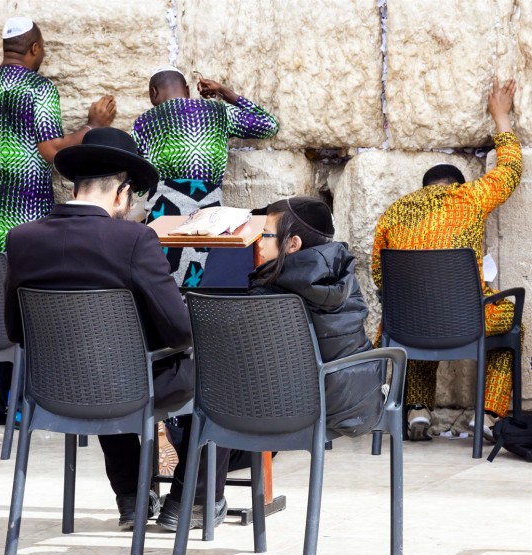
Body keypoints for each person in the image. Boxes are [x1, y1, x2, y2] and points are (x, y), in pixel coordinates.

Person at [4, 127, 229, 531]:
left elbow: (14, 329)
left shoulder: (21, 238)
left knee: (101, 365)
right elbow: (178, 332)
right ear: (122, 192)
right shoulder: (135, 238)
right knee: (227, 376)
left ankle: (132, 499)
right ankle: (188, 503)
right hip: (128, 386)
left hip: (51, 387)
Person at [0, 16, 116, 427]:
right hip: (25, 222)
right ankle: (19, 403)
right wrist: (92, 127)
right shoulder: (40, 89)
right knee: (25, 304)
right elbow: (53, 151)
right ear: (35, 49)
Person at [371, 78, 523, 441]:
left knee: (419, 321)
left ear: (424, 187)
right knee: (511, 323)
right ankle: (486, 415)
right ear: (456, 184)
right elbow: (511, 171)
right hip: (467, 318)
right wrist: (500, 117)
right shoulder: (468, 198)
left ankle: (418, 410)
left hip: (404, 323)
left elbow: (380, 276)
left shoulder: (392, 213)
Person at [130, 66, 279, 287]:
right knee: (208, 279)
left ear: (153, 92)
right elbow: (269, 125)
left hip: (164, 215)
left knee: (164, 283)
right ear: (188, 90)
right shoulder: (219, 112)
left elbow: (139, 186)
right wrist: (227, 93)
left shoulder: (143, 123)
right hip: (209, 218)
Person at [249, 197, 385, 437]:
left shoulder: (272, 290)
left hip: (302, 408)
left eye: (265, 235)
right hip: (357, 400)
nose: (257, 243)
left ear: (293, 243)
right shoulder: (343, 276)